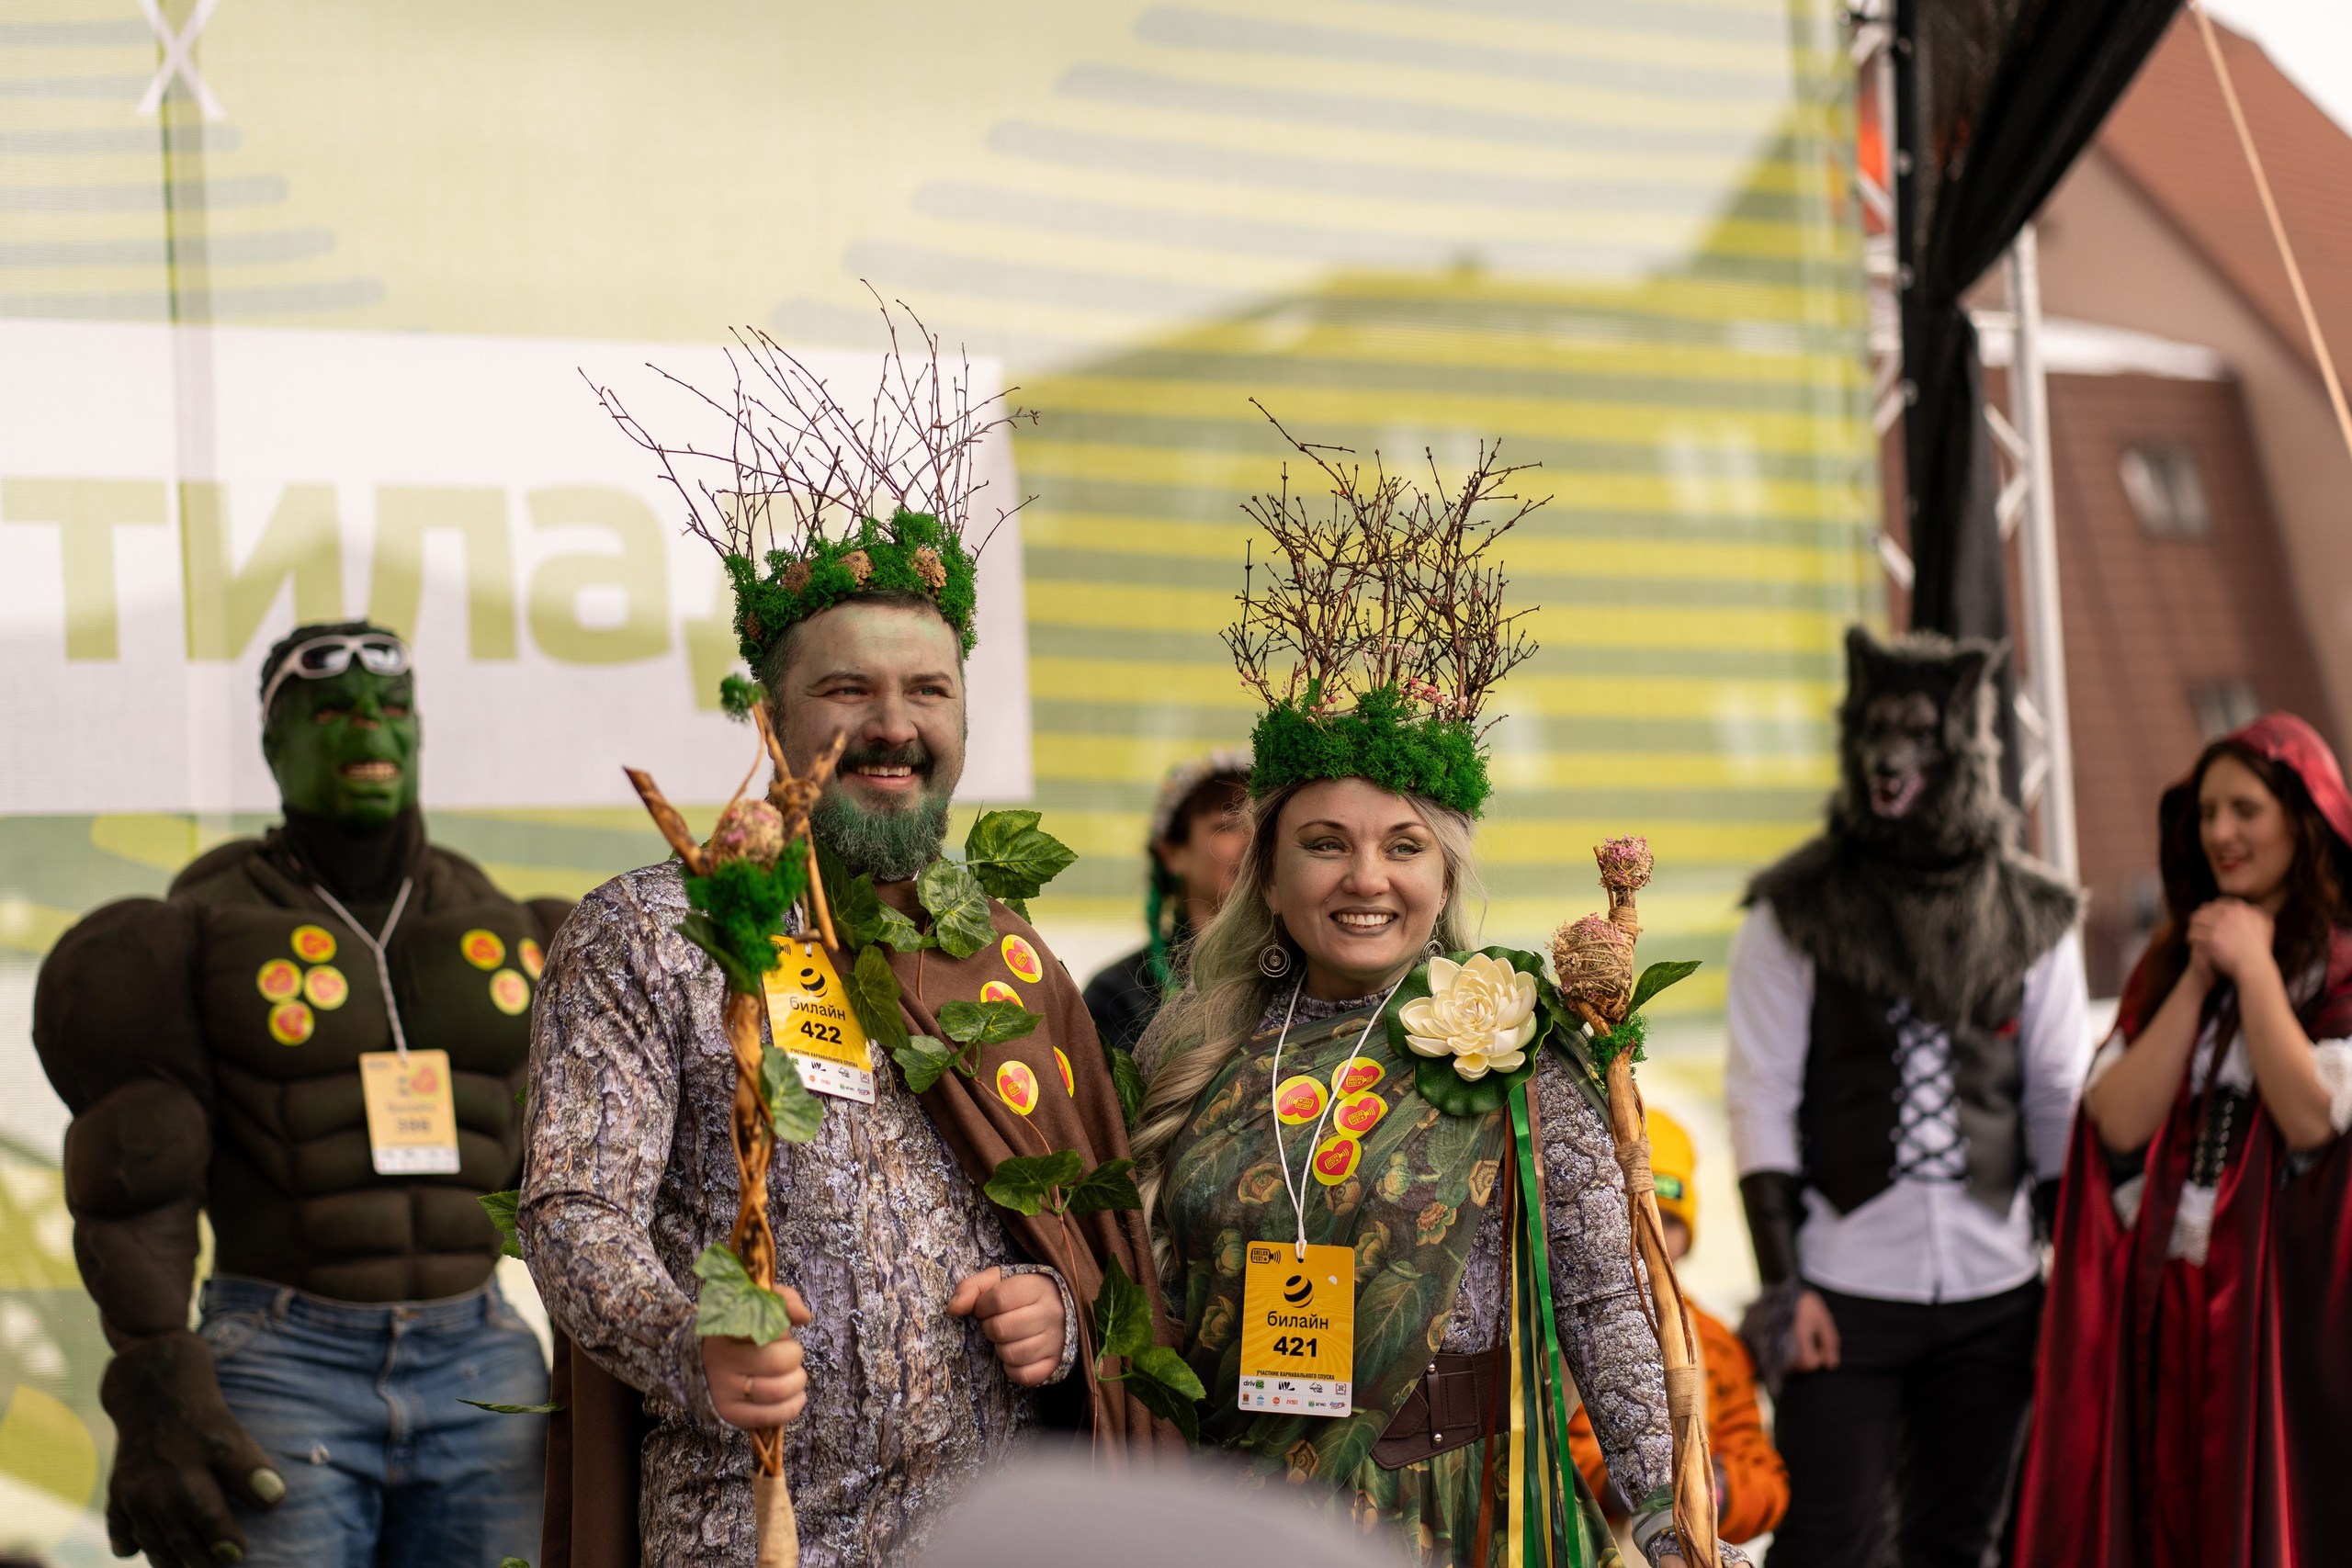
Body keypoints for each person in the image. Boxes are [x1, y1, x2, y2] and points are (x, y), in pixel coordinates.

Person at [521, 367, 1177, 1567]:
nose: (893, 724)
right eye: (847, 689)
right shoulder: (651, 930)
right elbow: (573, 1210)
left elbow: (1102, 1241)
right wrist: (689, 1338)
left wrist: (1062, 1316)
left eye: (928, 689)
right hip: (745, 1527)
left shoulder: (1004, 954)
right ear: (771, 721)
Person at [1129, 430, 1730, 1568]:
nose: (1365, 878)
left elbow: (1603, 1305)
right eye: (1324, 844)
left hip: (1452, 1520)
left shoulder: (1519, 1048)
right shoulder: (1193, 1052)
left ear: (1444, 876)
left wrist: (1669, 1517)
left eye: (1403, 846)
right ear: (1268, 876)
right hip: (1227, 1527)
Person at [33, 619, 562, 1568]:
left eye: (390, 707)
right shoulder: (202, 928)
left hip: (481, 1348)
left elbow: (588, 1185)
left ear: (419, 731)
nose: (368, 727)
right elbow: (135, 1174)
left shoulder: (507, 931)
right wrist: (153, 1370)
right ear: (273, 743)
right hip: (282, 1355)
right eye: (331, 710)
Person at [1724, 627, 2086, 1568]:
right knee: (1822, 1543)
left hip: (1998, 1289)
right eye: (1878, 729)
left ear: (1961, 745)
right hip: (1842, 1292)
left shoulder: (2036, 913)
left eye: (1918, 733)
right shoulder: (1793, 911)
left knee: (1962, 1544)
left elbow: (2055, 1095)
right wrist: (1784, 1286)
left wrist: (2070, 1270)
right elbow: (1759, 1094)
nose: (1892, 754)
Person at [2016, 713, 2352, 1566]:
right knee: (2170, 1516)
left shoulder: (2343, 966)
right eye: (2206, 813)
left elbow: (2311, 1116)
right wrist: (2201, 975)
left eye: (2245, 809)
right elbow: (2118, 1120)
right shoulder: (2171, 963)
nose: (2220, 832)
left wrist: (2257, 968)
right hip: (2169, 1294)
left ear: (2303, 818)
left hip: (2286, 1308)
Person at [1567, 1108, 1787, 1548]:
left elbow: (1767, 1480)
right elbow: (1554, 1454)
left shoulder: (1717, 1345)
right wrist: (1627, 1486)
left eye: (1668, 1220)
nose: (1653, 1235)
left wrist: (1718, 1491)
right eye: (1634, 1215)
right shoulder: (1567, 1329)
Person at [1084, 750, 1251, 1055]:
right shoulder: (1118, 996)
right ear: (1172, 854)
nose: (1252, 840)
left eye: (1264, 822)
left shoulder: (1311, 974)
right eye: (1228, 825)